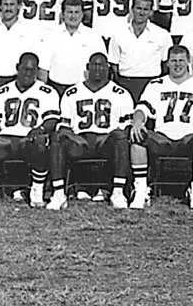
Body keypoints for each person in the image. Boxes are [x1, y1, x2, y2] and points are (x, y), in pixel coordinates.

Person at [129, 44, 193, 210]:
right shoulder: (156, 84)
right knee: (138, 137)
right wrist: (137, 121)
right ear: (167, 63)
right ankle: (141, 188)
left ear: (188, 62)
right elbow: (142, 108)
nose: (177, 64)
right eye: (173, 61)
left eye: (181, 60)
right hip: (162, 137)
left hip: (189, 136)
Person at [0, 52, 60, 208]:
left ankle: (37, 191)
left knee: (40, 144)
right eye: (24, 69)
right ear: (17, 68)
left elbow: (51, 120)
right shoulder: (2, 92)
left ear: (37, 71)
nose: (27, 73)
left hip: (29, 139)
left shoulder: (47, 92)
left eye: (32, 70)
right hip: (5, 138)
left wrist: (40, 129)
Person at [48, 52, 134, 210]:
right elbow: (64, 125)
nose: (98, 68)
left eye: (102, 65)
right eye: (94, 65)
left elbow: (126, 126)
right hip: (79, 141)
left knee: (120, 136)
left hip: (106, 141)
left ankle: (118, 192)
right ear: (88, 68)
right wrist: (72, 135)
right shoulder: (72, 92)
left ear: (108, 68)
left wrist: (110, 136)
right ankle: (58, 193)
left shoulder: (120, 94)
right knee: (58, 137)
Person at [0, 0, 48, 93]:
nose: (8, 8)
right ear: (0, 5)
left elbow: (39, 63)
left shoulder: (30, 30)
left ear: (19, 6)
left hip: (19, 82)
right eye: (5, 4)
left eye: (12, 4)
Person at [108, 0, 171, 100]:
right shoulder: (118, 34)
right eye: (138, 8)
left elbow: (166, 64)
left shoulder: (162, 34)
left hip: (152, 84)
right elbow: (114, 65)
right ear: (132, 9)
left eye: (146, 9)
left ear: (151, 12)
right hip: (125, 84)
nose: (142, 13)